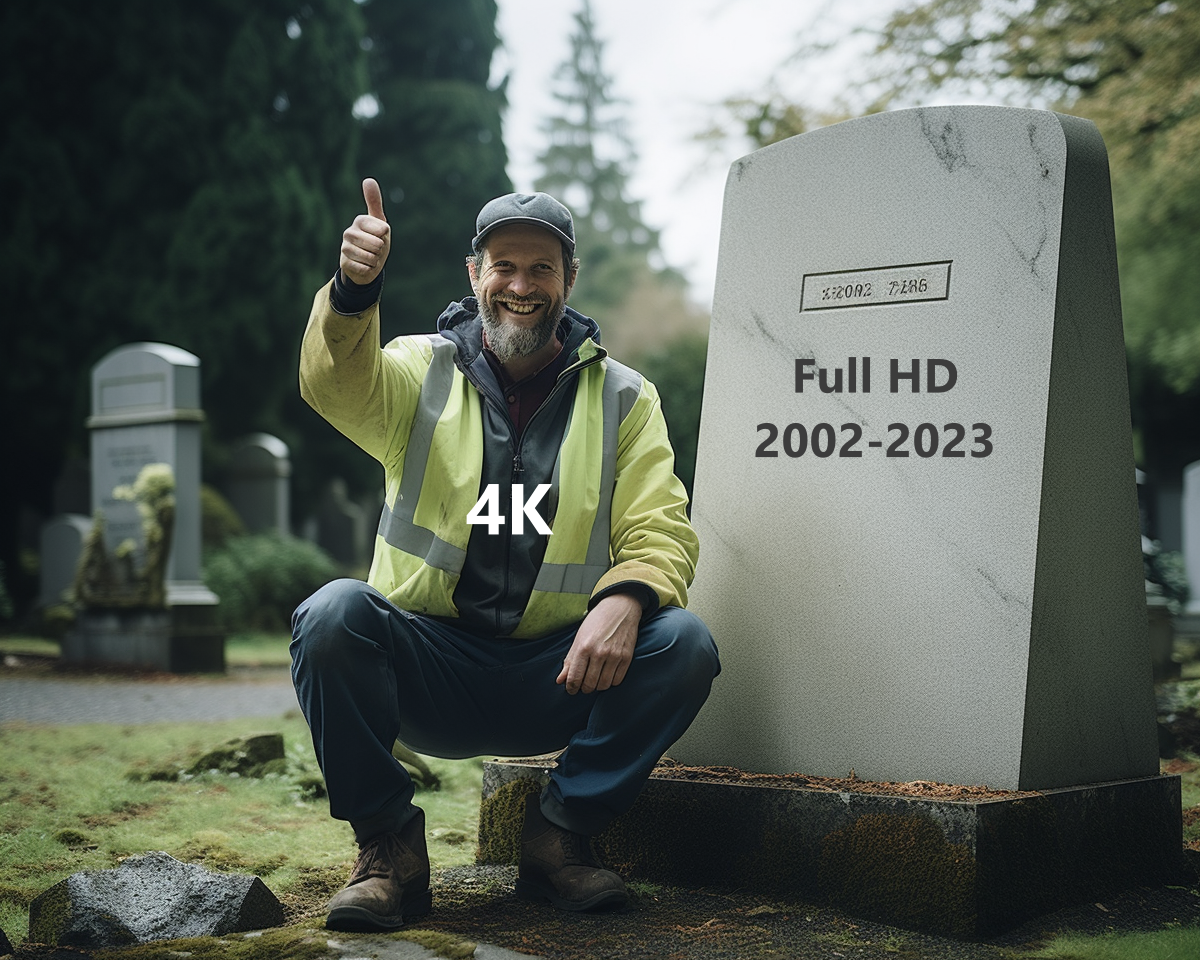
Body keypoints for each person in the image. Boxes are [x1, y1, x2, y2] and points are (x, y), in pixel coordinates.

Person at [290, 179, 720, 932]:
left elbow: (662, 525)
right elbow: (333, 384)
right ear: (474, 275)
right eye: (505, 266)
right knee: (330, 615)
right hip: (428, 667)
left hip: (555, 672)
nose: (522, 286)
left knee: (683, 643)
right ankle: (390, 850)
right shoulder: (415, 370)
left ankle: (559, 839)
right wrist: (354, 291)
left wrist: (627, 598)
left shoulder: (625, 398)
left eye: (542, 268)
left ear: (569, 279)